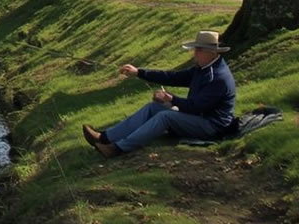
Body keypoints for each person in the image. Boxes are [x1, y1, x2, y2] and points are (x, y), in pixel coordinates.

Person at [83, 30, 237, 157]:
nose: (194, 54)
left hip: (212, 126)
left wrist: (171, 99)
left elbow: (196, 108)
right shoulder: (203, 68)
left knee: (165, 116)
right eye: (195, 49)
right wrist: (139, 73)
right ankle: (104, 137)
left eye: (198, 50)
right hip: (198, 118)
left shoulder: (217, 77)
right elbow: (173, 77)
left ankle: (117, 149)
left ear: (212, 52)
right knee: (152, 108)